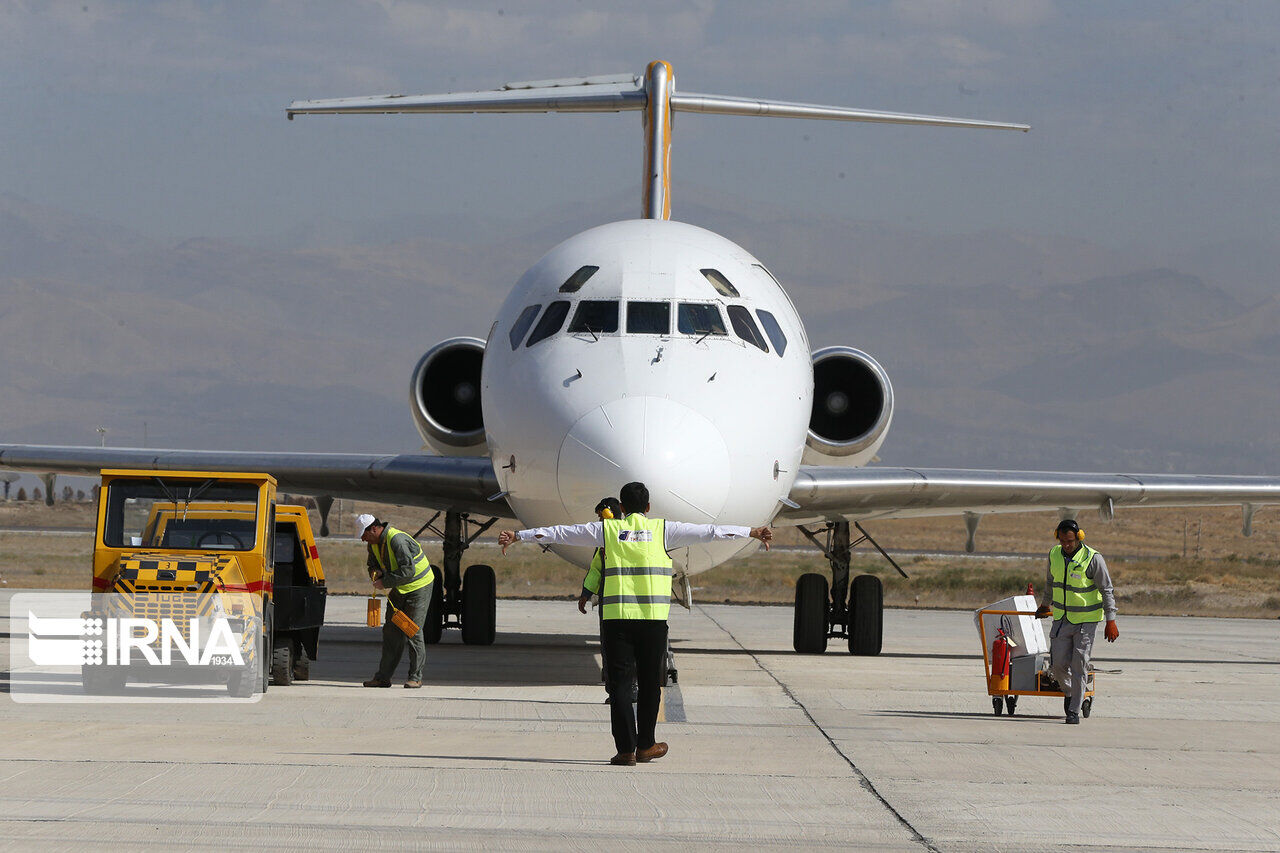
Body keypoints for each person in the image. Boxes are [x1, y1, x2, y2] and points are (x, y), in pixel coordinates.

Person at [498, 481, 773, 766]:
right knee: (650, 685)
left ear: (623, 507)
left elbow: (561, 533)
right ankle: (646, 745)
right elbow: (709, 532)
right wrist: (751, 532)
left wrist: (518, 535)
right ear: (648, 507)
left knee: (619, 685)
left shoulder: (608, 530)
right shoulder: (663, 530)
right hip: (652, 621)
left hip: (617, 619)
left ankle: (626, 750)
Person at [1034, 518, 1119, 723]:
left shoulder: (1092, 558)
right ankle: (1072, 693)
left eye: (1070, 541)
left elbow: (1106, 590)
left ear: (1079, 537)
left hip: (1086, 622)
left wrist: (1111, 620)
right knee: (1057, 666)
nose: (1066, 545)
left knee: (1079, 665)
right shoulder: (1054, 554)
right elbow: (1050, 582)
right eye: (1063, 541)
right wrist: (1045, 604)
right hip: (1062, 619)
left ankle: (1073, 712)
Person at [358, 514, 435, 689]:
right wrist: (375, 572)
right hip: (400, 587)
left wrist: (384, 582)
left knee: (412, 631)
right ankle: (383, 678)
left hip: (418, 586)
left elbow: (408, 571)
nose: (363, 539)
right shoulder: (373, 544)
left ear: (374, 529)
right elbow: (372, 564)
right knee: (391, 631)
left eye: (364, 535)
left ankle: (415, 677)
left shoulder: (397, 540)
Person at [579, 497, 626, 703]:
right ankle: (620, 690)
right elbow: (596, 570)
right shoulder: (610, 539)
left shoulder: (611, 538)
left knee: (613, 648)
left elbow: (597, 570)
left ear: (608, 514)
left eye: (600, 516)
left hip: (613, 604)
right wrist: (586, 593)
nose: (599, 520)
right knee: (617, 650)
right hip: (620, 603)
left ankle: (619, 691)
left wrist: (586, 593)